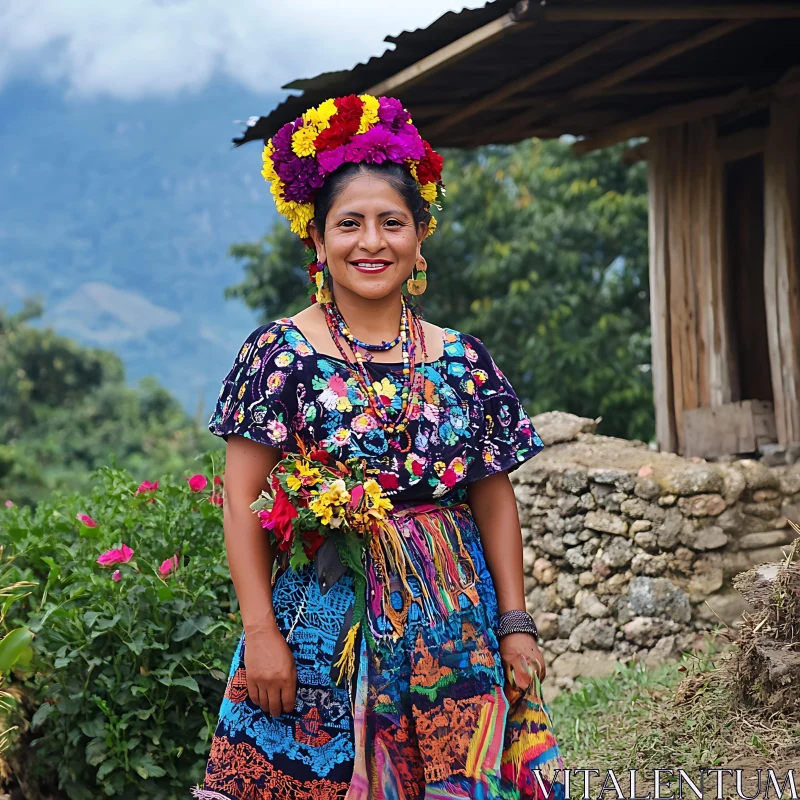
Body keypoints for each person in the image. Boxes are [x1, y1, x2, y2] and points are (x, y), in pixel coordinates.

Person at [193, 94, 562, 800]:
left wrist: (514, 626)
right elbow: (239, 501)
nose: (372, 242)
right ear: (318, 240)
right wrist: (261, 632)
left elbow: (492, 496)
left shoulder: (463, 360)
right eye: (349, 224)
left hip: (456, 629)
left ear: (420, 237)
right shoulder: (280, 354)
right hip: (323, 631)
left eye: (392, 223)